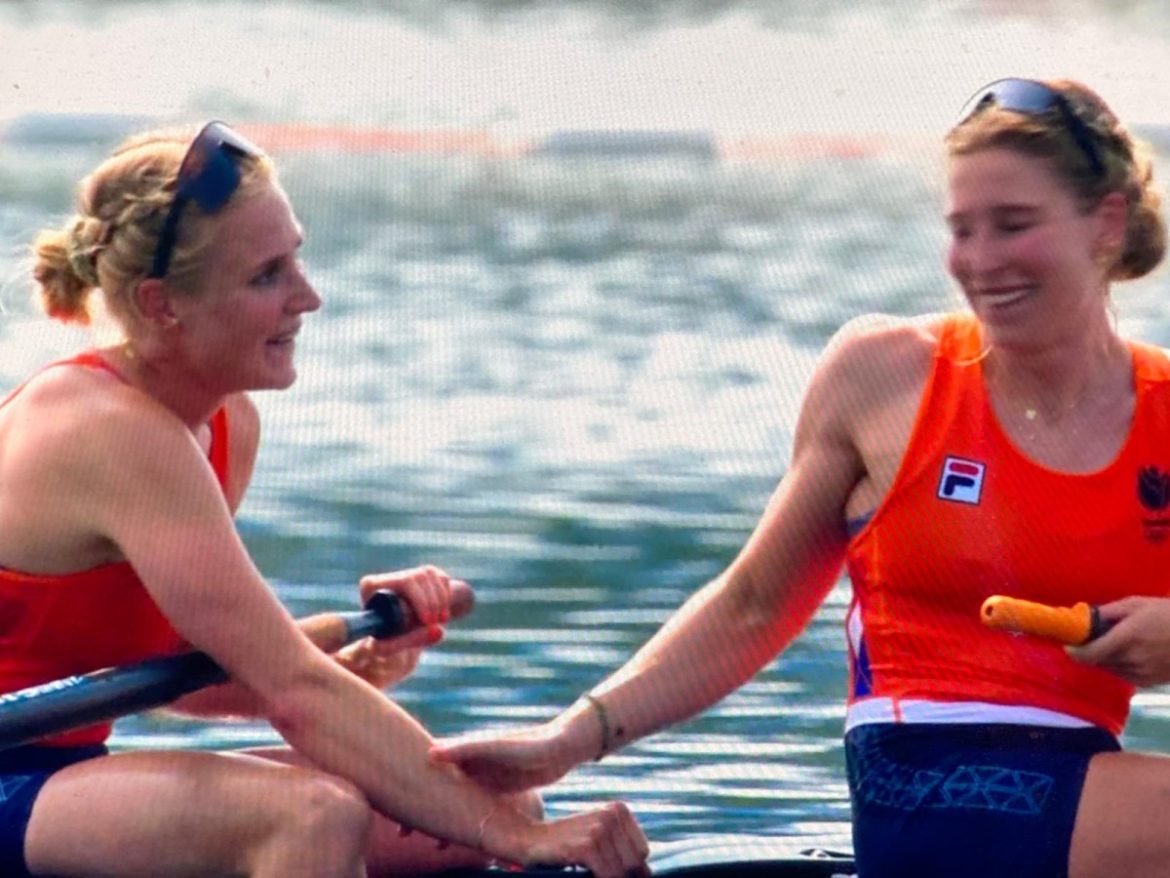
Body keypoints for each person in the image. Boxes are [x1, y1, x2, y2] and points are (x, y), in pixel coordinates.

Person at [432, 77, 1169, 878]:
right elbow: (753, 605)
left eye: (1013, 226)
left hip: (1087, 778)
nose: (981, 262)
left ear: (1106, 223)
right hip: (918, 779)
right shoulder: (886, 374)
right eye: (961, 230)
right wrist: (564, 742)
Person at [0, 121, 650, 878]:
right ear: (162, 304)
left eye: (296, 260)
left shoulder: (223, 420)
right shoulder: (112, 432)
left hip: (52, 767)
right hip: (14, 776)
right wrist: (511, 839)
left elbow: (192, 672)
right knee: (315, 817)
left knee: (480, 814)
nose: (307, 297)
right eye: (266, 276)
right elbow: (291, 691)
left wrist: (359, 666)